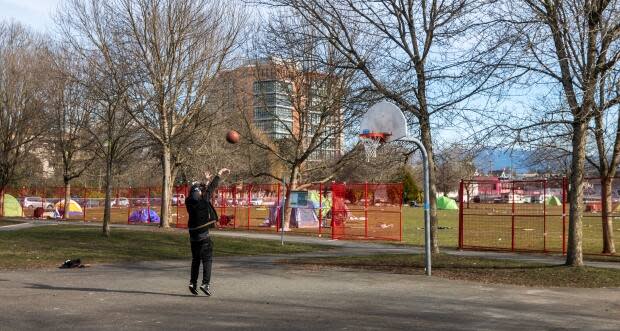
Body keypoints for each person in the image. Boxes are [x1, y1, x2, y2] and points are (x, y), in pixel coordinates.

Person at [185, 168, 229, 296]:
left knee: (195, 259)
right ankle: (205, 284)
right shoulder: (203, 202)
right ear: (199, 194)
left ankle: (193, 283)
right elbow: (210, 189)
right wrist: (218, 175)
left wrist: (206, 180)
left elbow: (203, 191)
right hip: (203, 235)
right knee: (207, 260)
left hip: (193, 236)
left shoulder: (188, 201)